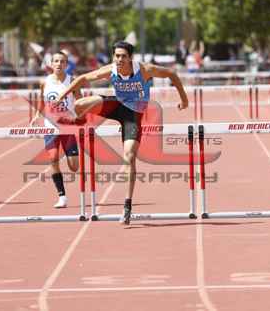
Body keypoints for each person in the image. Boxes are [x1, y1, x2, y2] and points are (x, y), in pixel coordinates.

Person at [54, 40, 189, 225]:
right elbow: (83, 79)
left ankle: (127, 206)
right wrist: (62, 95)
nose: (119, 60)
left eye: (123, 56)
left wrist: (184, 99)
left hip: (132, 115)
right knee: (79, 104)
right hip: (115, 105)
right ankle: (80, 125)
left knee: (130, 156)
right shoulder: (110, 70)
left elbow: (172, 74)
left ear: (130, 58)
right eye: (117, 56)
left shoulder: (144, 70)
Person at [29, 51, 82, 208]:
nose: (59, 64)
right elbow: (42, 101)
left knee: (74, 167)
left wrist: (80, 117)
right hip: (50, 126)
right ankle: (62, 197)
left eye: (62, 61)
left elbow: (81, 101)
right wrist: (37, 115)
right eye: (56, 61)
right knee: (52, 159)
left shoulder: (72, 81)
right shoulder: (44, 82)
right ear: (51, 64)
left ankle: (69, 153)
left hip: (68, 126)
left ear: (66, 64)